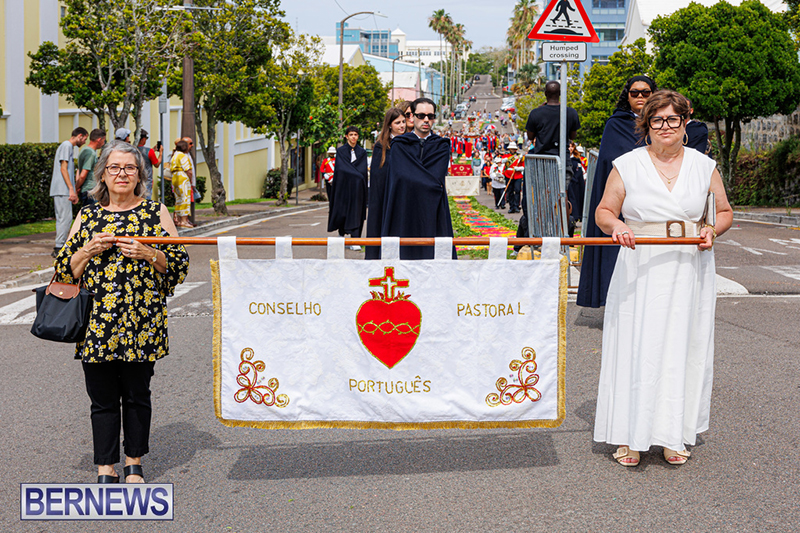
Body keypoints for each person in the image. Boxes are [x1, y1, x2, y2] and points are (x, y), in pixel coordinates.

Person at [592, 90, 732, 467]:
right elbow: (604, 211)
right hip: (641, 263)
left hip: (689, 264)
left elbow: (723, 212)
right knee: (637, 343)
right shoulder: (627, 164)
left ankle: (673, 433)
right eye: (657, 120)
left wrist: (712, 231)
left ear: (685, 123)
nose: (666, 127)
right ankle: (630, 436)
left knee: (681, 346)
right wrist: (618, 225)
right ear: (646, 125)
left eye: (673, 119)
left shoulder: (704, 166)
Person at [54, 140, 189, 483]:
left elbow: (179, 264)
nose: (122, 174)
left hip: (141, 321)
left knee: (136, 394)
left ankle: (133, 462)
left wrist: (149, 253)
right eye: (114, 167)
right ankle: (104, 466)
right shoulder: (88, 215)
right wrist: (86, 250)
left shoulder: (155, 212)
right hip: (97, 324)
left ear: (140, 174)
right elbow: (63, 271)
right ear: (103, 175)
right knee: (101, 398)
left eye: (130, 168)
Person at [577, 75, 657, 308]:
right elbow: (610, 161)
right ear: (627, 96)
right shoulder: (616, 123)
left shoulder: (662, 122)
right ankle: (616, 300)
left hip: (656, 193)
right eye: (635, 93)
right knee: (619, 247)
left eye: (646, 92)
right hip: (624, 195)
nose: (640, 96)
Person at [381, 97, 456, 260]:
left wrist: (415, 177)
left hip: (432, 208)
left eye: (430, 116)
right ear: (412, 117)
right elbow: (401, 176)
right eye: (421, 115)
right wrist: (425, 181)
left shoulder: (441, 145)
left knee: (434, 258)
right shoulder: (399, 145)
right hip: (404, 207)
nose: (426, 120)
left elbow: (436, 177)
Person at [366, 108, 406, 260]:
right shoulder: (380, 146)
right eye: (397, 123)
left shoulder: (409, 142)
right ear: (389, 125)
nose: (402, 125)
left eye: (403, 121)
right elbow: (378, 176)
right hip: (385, 197)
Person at [327, 126, 368, 251]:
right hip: (343, 187)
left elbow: (362, 170)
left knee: (356, 212)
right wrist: (356, 175)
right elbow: (342, 168)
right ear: (346, 136)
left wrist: (357, 176)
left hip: (357, 189)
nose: (353, 137)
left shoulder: (362, 152)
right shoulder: (341, 151)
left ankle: (355, 239)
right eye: (351, 135)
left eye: (355, 134)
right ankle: (342, 233)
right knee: (342, 210)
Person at [50, 127, 88, 258]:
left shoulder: (67, 147)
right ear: (79, 136)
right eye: (84, 139)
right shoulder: (66, 146)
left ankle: (60, 245)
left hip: (62, 189)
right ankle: (59, 247)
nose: (84, 142)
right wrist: (71, 189)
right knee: (64, 219)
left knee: (63, 218)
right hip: (63, 189)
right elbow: (63, 169)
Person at [76, 128, 106, 208]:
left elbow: (79, 170)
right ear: (99, 140)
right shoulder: (90, 153)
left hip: (87, 190)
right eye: (104, 141)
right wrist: (76, 188)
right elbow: (83, 174)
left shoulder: (84, 150)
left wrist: (78, 185)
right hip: (91, 190)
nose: (103, 144)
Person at [170, 139, 194, 228]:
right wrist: (190, 179)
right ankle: (184, 221)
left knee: (178, 199)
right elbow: (188, 170)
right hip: (182, 177)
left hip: (174, 177)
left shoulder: (174, 156)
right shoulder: (183, 156)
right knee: (185, 198)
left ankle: (179, 220)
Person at [137, 129, 163, 200]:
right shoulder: (149, 151)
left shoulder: (133, 149)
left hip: (136, 179)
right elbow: (157, 164)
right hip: (147, 180)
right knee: (146, 200)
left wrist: (153, 150)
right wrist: (160, 153)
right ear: (143, 139)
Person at [503, 142, 524, 213]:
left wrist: (519, 168)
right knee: (510, 191)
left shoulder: (519, 156)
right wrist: (503, 160)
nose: (512, 150)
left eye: (513, 149)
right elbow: (499, 162)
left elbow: (523, 166)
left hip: (517, 175)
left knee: (517, 190)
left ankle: (516, 206)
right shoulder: (506, 156)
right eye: (511, 149)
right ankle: (511, 206)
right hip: (508, 175)